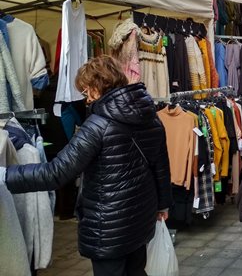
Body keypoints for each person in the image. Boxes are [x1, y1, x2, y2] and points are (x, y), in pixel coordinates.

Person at [0, 55, 172, 276]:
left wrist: (5, 175)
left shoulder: (97, 126)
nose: (86, 99)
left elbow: (56, 173)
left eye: (85, 90)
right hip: (141, 217)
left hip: (108, 227)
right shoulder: (150, 117)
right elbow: (160, 166)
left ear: (98, 86)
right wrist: (163, 205)